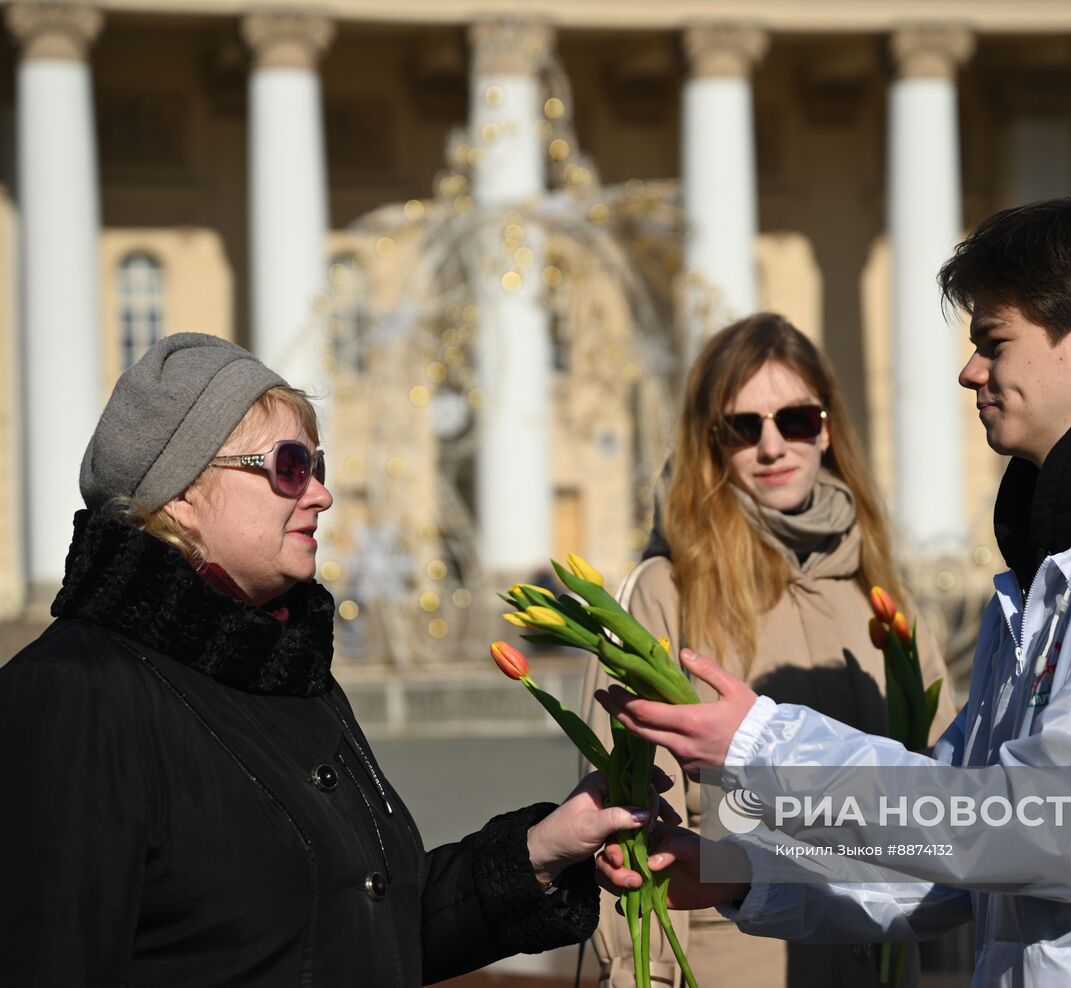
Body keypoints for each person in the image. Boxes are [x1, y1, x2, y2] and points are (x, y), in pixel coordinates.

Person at [596, 181, 1071, 985]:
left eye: (994, 342)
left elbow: (1066, 826)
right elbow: (956, 840)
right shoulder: (1057, 563)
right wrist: (743, 874)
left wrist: (764, 743)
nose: (969, 371)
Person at [0, 333, 662, 986]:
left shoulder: (287, 668)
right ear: (181, 493)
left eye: (319, 466)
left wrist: (542, 851)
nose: (320, 494)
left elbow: (371, 927)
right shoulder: (72, 694)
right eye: (290, 466)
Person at [583, 313, 955, 987]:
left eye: (798, 420)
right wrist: (643, 977)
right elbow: (625, 812)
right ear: (710, 444)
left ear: (829, 428)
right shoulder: (667, 591)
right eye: (743, 427)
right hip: (725, 963)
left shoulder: (882, 593)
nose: (773, 446)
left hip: (872, 964)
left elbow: (947, 796)